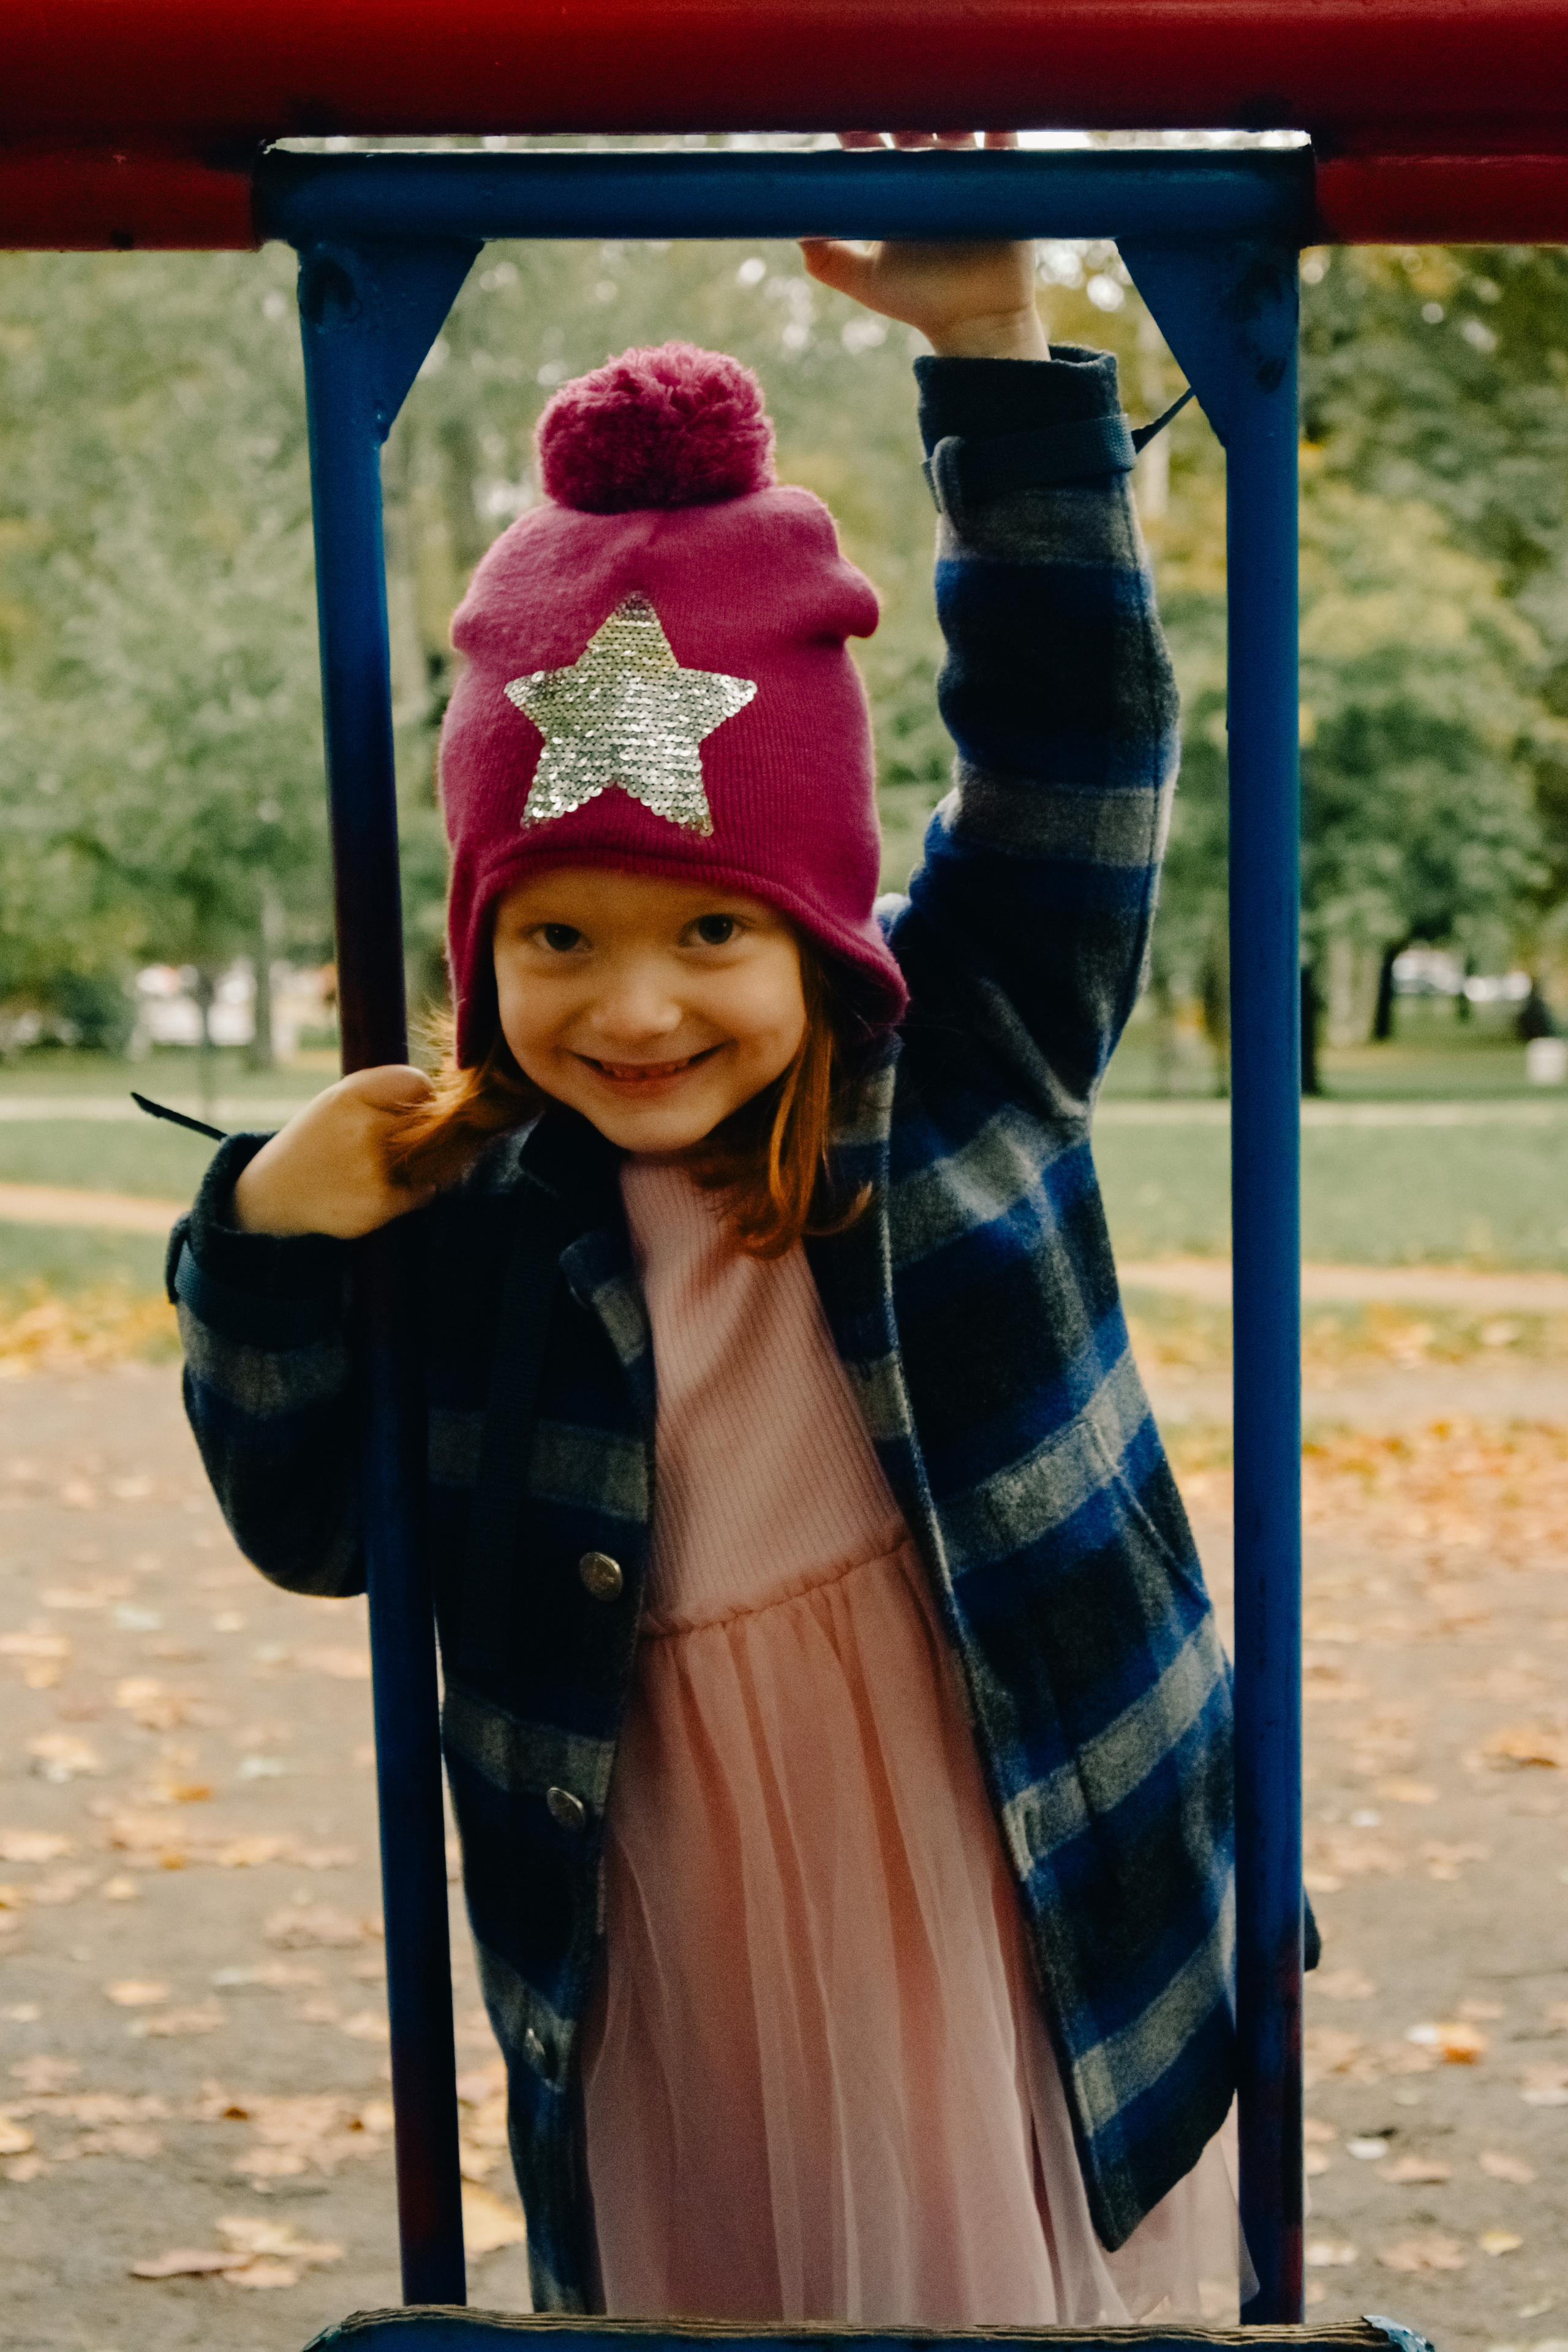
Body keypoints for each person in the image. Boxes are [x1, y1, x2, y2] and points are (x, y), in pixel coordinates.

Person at [170, 154, 1260, 2326]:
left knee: (994, 2291)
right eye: (556, 934)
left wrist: (989, 355)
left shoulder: (961, 1067)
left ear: (819, 931)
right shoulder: (476, 1197)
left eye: (711, 932)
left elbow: (1071, 736)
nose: (635, 1003)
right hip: (660, 1894)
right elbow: (320, 1528)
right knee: (724, 2301)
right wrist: (268, 1236)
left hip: (994, 1852)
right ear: (483, 950)